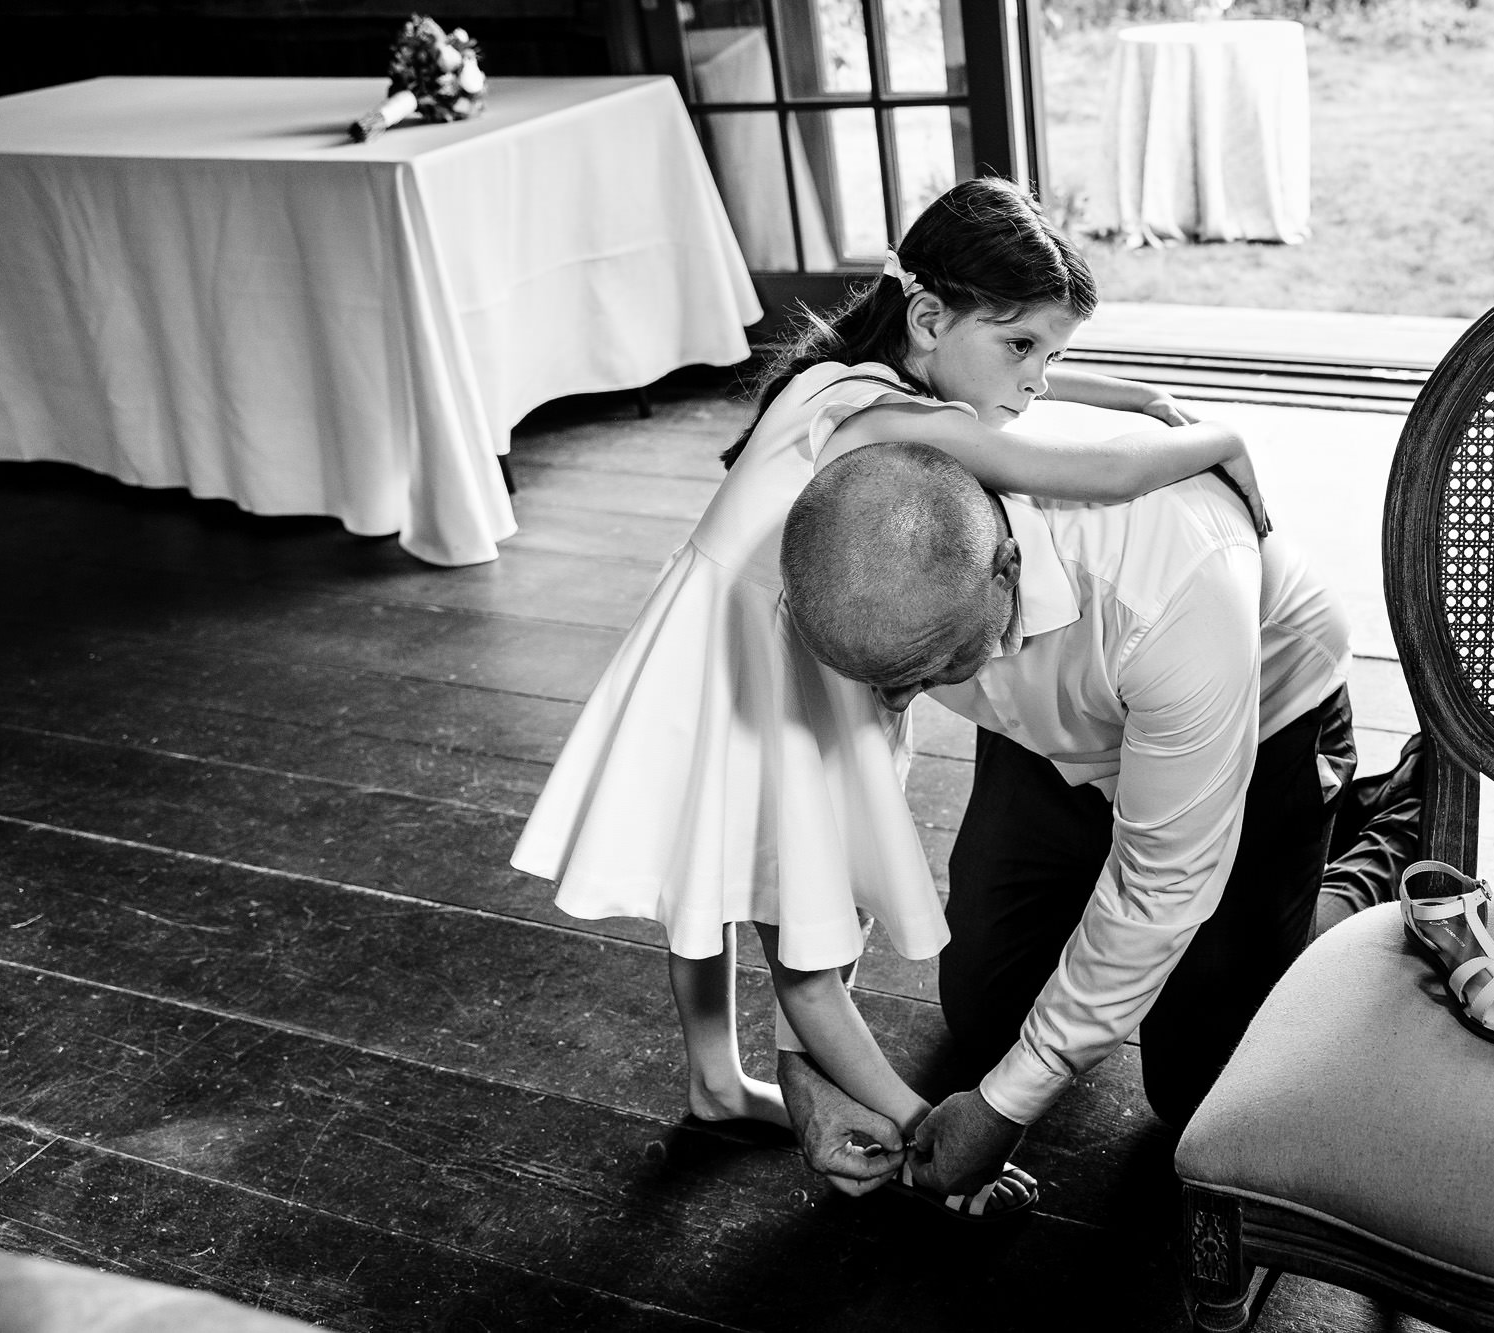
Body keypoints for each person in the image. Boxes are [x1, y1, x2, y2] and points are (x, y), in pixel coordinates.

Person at [509, 178, 1271, 1216]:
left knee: (707, 875)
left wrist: (1119, 394)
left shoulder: (834, 376)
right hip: (778, 677)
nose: (1038, 379)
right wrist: (1216, 439)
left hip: (694, 649)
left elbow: (989, 392)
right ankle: (863, 1102)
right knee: (802, 913)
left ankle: (712, 1073)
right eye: (1024, 349)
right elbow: (1066, 469)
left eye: (1053, 353)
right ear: (928, 316)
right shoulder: (891, 424)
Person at [777, 438, 1421, 1202]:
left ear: (1006, 570)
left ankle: (1396, 823)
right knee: (986, 1019)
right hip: (1050, 730)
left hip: (1262, 719)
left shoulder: (1177, 583)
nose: (894, 704)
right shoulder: (839, 566)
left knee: (1201, 1088)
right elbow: (822, 826)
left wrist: (1005, 1107)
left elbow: (1161, 885)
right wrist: (807, 1058)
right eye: (878, 682)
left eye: (926, 671)